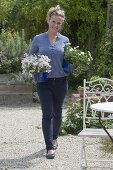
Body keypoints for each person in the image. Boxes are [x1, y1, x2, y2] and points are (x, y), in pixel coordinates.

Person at [29, 5, 69, 159]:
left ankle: (54, 137)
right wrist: (34, 67)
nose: (56, 25)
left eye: (59, 23)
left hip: (61, 81)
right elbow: (30, 57)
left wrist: (72, 66)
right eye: (53, 22)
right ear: (49, 20)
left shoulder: (65, 40)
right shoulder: (38, 39)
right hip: (43, 82)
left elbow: (68, 59)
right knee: (47, 114)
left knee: (57, 112)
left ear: (61, 24)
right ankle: (49, 147)